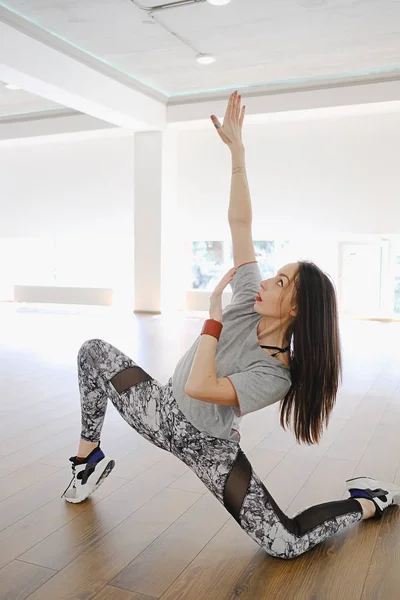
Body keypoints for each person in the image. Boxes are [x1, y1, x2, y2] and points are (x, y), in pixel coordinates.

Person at [62, 91, 400, 560]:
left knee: (285, 543)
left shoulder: (276, 375)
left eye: (280, 281)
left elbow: (202, 386)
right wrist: (238, 155)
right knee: (91, 351)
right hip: (159, 409)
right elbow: (241, 222)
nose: (265, 281)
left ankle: (369, 502)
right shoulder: (248, 295)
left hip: (208, 449)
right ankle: (87, 460)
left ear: (297, 308)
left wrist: (212, 320)